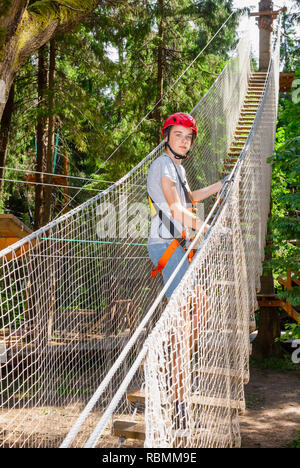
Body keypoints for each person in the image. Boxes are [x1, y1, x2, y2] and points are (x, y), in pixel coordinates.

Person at [147, 112, 225, 300]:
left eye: (188, 136)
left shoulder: (178, 168)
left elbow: (188, 199)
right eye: (178, 135)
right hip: (165, 242)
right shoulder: (163, 164)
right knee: (185, 304)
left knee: (198, 302)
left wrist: (219, 186)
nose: (184, 141)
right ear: (166, 137)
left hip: (176, 242)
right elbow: (176, 209)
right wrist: (206, 228)